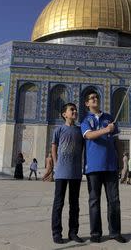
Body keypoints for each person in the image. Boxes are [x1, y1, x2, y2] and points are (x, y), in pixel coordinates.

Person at [81, 92, 127, 243]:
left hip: (110, 165)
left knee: (114, 200)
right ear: (87, 103)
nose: (95, 99)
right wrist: (106, 130)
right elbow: (88, 136)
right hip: (93, 166)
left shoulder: (109, 118)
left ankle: (115, 232)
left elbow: (117, 142)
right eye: (92, 98)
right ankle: (96, 233)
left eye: (96, 97)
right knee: (94, 200)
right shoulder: (85, 120)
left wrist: (120, 162)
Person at [51, 103, 85, 244]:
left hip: (75, 172)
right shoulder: (59, 130)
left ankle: (73, 232)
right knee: (59, 203)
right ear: (64, 114)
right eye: (72, 110)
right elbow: (54, 147)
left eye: (75, 109)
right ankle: (57, 233)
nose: (75, 111)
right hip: (61, 172)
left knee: (74, 204)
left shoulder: (79, 130)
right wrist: (56, 163)